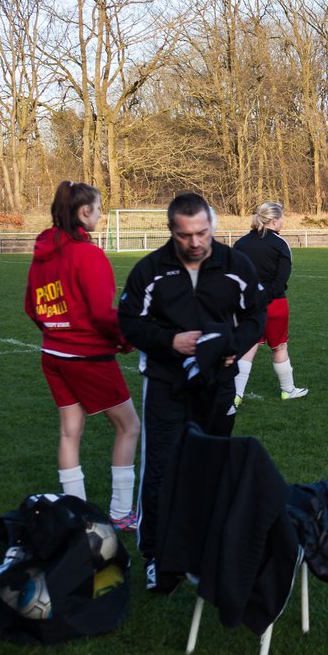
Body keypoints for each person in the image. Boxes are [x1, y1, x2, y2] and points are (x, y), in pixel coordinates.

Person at [118, 192, 266, 590]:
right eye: (186, 235)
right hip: (166, 385)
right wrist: (171, 342)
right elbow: (129, 322)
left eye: (202, 232)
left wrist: (234, 346)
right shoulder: (149, 271)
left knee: (212, 467)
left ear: (212, 227)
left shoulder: (237, 266)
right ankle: (157, 557)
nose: (196, 242)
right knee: (161, 470)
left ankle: (203, 549)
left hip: (218, 384)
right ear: (171, 231)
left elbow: (256, 314)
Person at [25, 181, 140, 531]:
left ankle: (73, 515)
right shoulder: (88, 254)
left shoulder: (42, 252)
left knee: (69, 431)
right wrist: (126, 340)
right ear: (84, 212)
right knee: (129, 426)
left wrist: (56, 330)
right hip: (87, 358)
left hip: (53, 354)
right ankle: (121, 514)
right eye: (99, 208)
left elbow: (32, 307)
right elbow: (104, 315)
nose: (102, 215)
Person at [232, 202, 308, 405]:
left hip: (247, 305)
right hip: (275, 304)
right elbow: (280, 280)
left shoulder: (240, 244)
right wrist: (264, 298)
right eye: (282, 218)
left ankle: (235, 395)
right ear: (274, 220)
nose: (283, 222)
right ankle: (287, 390)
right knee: (279, 346)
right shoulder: (280, 244)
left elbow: (234, 277)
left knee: (248, 347)